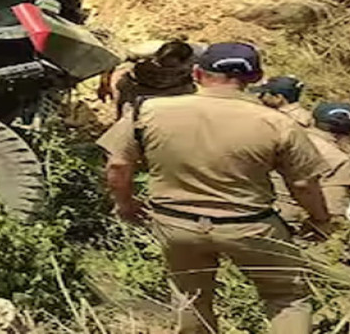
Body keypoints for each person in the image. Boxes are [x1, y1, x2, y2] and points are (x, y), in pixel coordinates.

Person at [97, 42, 331, 334]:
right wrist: (320, 219)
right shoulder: (278, 124)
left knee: (190, 296)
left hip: (176, 223)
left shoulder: (148, 110)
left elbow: (118, 165)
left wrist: (125, 204)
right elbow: (303, 183)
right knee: (286, 297)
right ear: (256, 77)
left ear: (196, 73)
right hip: (249, 227)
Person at [275, 102, 350, 228]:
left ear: (312, 120)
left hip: (265, 214)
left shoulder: (289, 139)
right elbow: (334, 209)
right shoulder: (339, 160)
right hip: (297, 225)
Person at [98, 39, 197, 120]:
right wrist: (104, 83)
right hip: (140, 88)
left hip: (176, 90)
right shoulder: (140, 52)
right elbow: (112, 62)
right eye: (161, 66)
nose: (165, 73)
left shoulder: (197, 59)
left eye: (172, 68)